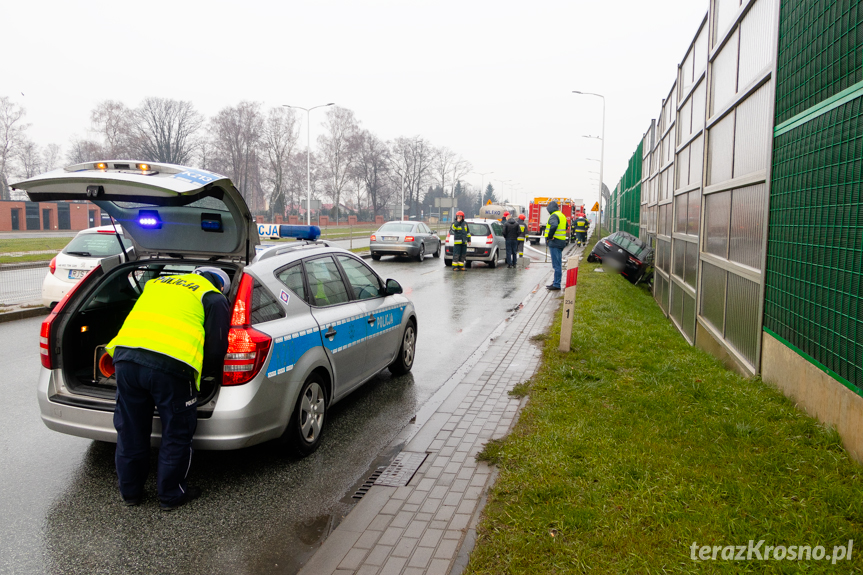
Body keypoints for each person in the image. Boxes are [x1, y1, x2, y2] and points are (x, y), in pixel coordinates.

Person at [106, 266, 231, 510]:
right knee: (176, 432)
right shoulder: (213, 297)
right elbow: (216, 349)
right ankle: (171, 495)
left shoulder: (157, 284)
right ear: (221, 286)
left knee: (130, 430)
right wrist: (205, 375)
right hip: (171, 366)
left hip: (125, 359)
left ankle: (130, 493)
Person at [545, 201, 568, 290]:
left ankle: (557, 284)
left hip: (555, 243)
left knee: (556, 265)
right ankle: (555, 282)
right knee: (558, 263)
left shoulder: (554, 215)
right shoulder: (562, 215)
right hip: (561, 242)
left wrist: (550, 236)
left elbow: (554, 225)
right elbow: (566, 226)